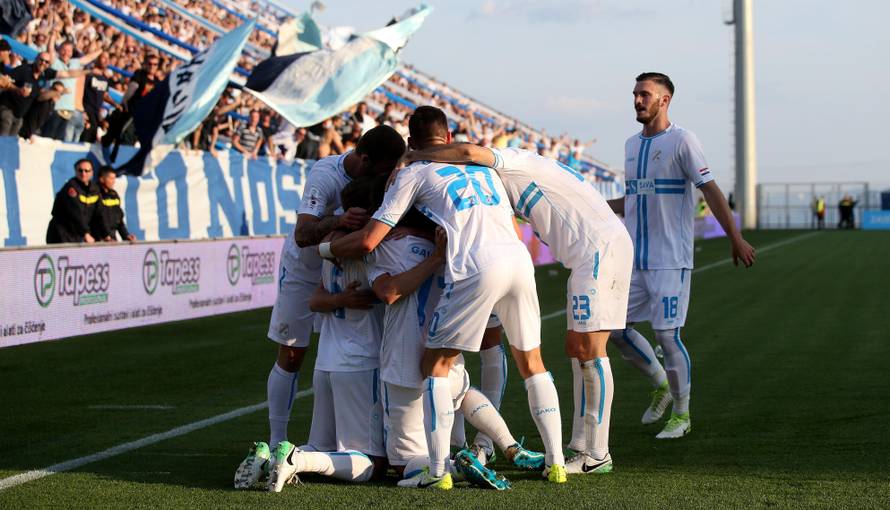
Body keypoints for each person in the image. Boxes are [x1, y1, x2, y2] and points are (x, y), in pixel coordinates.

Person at [322, 106, 568, 487]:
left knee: (435, 365)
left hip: (474, 263)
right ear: (448, 137)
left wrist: (326, 247)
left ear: (411, 142)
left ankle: (439, 471)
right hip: (518, 257)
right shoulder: (484, 169)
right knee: (531, 362)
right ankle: (556, 463)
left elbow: (370, 240)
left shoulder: (413, 173)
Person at [403, 137, 633, 475]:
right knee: (576, 347)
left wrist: (416, 156)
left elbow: (468, 151)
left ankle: (597, 454)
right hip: (593, 249)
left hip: (596, 251)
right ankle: (583, 444)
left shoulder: (510, 162)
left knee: (589, 349)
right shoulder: (518, 173)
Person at [232, 126, 407, 489]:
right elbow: (302, 234)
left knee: (330, 346)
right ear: (364, 159)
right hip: (306, 269)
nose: (388, 175)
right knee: (291, 353)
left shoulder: (380, 180)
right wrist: (338, 224)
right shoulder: (325, 174)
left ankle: (290, 454)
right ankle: (277, 442)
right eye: (384, 168)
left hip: (337, 268)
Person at [608, 72, 756, 440]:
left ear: (665, 100)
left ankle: (682, 414)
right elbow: (633, 199)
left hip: (670, 259)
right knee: (615, 329)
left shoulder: (682, 141)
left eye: (645, 94)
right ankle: (661, 384)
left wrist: (735, 237)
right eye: (635, 94)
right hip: (635, 260)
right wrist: (593, 206)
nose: (637, 100)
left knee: (667, 334)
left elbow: (710, 189)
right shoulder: (630, 145)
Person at [267, 178, 386, 492]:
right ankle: (296, 461)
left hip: (326, 363)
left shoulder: (331, 248)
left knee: (321, 447)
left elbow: (315, 300)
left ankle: (273, 458)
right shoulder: (372, 249)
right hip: (362, 362)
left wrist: (339, 299)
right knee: (373, 462)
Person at [0, 52, 86, 137]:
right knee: (3, 141)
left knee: (10, 143)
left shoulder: (45, 73)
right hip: (8, 110)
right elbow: (3, 81)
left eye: (47, 62)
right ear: (36, 59)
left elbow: (67, 74)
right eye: (41, 60)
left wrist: (88, 71)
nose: (43, 63)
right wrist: (17, 89)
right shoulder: (24, 69)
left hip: (19, 116)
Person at [43, 40, 101, 142]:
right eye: (63, 50)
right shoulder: (55, 62)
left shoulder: (75, 63)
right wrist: (53, 35)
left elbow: (89, 58)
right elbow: (50, 49)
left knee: (59, 143)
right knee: (47, 139)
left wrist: (102, 49)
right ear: (59, 50)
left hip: (69, 111)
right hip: (54, 109)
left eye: (69, 50)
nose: (66, 53)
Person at [46, 158, 100, 244]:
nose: (83, 173)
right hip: (62, 234)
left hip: (77, 234)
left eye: (87, 171)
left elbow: (99, 213)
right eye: (80, 170)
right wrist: (86, 233)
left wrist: (106, 235)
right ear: (75, 171)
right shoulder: (71, 188)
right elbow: (76, 213)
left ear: (92, 172)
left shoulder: (95, 189)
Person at [80, 53, 117, 144]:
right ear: (97, 59)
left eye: (108, 58)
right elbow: (80, 91)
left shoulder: (104, 78)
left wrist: (115, 104)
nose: (106, 60)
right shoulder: (89, 73)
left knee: (90, 141)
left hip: (96, 115)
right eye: (103, 57)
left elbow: (104, 95)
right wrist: (82, 111)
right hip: (85, 112)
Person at [91, 166, 135, 242]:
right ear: (101, 179)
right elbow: (96, 219)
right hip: (97, 240)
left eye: (114, 178)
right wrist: (106, 236)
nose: (113, 181)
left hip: (111, 239)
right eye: (110, 178)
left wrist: (126, 236)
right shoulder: (94, 195)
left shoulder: (114, 195)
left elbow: (119, 220)